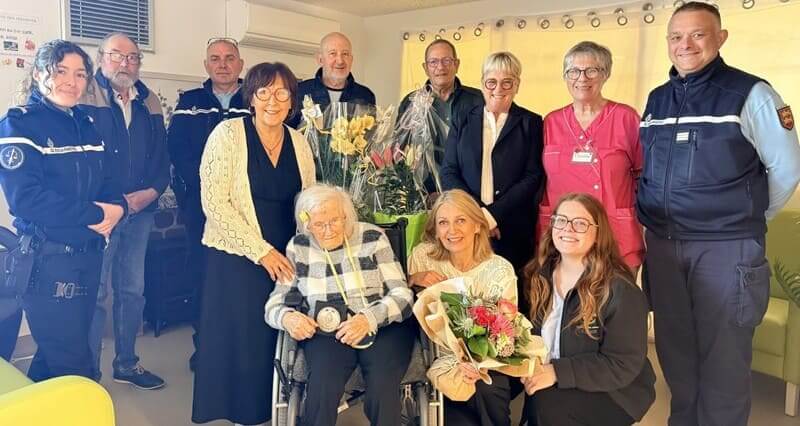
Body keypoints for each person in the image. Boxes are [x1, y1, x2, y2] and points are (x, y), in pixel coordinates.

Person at [637, 3, 800, 425]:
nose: (685, 45)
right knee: (677, 357)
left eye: (698, 35)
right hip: (665, 247)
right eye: (676, 37)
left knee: (724, 363)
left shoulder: (750, 94)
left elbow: (787, 169)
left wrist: (748, 218)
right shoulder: (657, 99)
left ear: (720, 38)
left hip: (726, 251)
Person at [192, 62, 316, 426]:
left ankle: (270, 408)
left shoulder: (299, 140)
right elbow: (214, 203)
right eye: (264, 92)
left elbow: (307, 199)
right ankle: (237, 410)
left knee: (272, 333)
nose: (273, 101)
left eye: (282, 93)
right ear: (251, 97)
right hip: (236, 252)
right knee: (241, 334)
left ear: (292, 100)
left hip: (285, 251)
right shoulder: (227, 134)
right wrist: (260, 250)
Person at [0, 39, 126, 380]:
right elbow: (26, 199)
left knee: (56, 358)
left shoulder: (86, 123)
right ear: (41, 73)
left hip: (88, 256)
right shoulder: (19, 125)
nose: (71, 81)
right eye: (61, 71)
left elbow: (109, 180)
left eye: (80, 74)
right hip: (48, 264)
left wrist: (117, 208)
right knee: (75, 366)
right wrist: (98, 215)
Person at [265, 184, 415, 426]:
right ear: (306, 222)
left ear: (346, 215)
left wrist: (369, 318)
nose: (326, 230)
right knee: (323, 386)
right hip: (327, 332)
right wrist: (287, 318)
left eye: (334, 221)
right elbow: (275, 303)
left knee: (382, 385)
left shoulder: (372, 236)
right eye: (318, 224)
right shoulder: (299, 247)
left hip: (381, 326)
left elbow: (403, 294)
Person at [79, 32, 170, 390]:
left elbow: (163, 157)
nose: (125, 63)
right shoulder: (85, 95)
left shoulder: (149, 101)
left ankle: (127, 364)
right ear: (101, 57)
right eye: (117, 55)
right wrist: (109, 203)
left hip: (140, 213)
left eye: (133, 57)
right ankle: (89, 375)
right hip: (100, 213)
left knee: (133, 290)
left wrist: (152, 192)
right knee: (96, 292)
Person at [522, 192, 655, 425]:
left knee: (549, 403)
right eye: (561, 220)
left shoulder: (619, 290)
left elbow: (622, 365)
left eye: (580, 224)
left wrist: (557, 372)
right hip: (555, 378)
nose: (568, 229)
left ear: (597, 234)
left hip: (615, 392)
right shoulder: (539, 276)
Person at [166, 36, 250, 370]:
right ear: (206, 65)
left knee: (242, 276)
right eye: (215, 58)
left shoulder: (255, 98)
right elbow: (178, 151)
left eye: (230, 58)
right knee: (204, 275)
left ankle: (241, 346)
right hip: (200, 208)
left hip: (246, 207)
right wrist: (208, 190)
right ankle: (205, 347)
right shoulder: (190, 101)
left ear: (240, 64)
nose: (223, 64)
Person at [408, 189, 518, 425]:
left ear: (478, 225)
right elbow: (399, 293)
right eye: (443, 223)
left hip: (488, 356)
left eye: (461, 220)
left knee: (489, 388)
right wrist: (412, 278)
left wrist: (475, 362)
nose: (452, 231)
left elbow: (505, 328)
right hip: (441, 357)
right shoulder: (422, 258)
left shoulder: (499, 269)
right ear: (435, 231)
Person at [440, 51, 544, 292]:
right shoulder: (462, 119)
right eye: (492, 82)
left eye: (507, 81)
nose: (499, 88)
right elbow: (449, 172)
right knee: (468, 296)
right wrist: (479, 218)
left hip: (513, 228)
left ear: (517, 84)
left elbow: (532, 177)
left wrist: (492, 217)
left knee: (509, 302)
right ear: (483, 83)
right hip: (467, 228)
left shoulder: (531, 122)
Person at [537, 41, 644, 269]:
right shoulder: (551, 122)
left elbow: (644, 175)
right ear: (565, 76)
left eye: (591, 70)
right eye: (573, 71)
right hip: (563, 237)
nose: (582, 78)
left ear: (605, 74)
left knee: (615, 301)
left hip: (614, 233)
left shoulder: (626, 118)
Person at [397, 39, 483, 192]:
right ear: (425, 68)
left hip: (467, 189)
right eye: (433, 62)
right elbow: (401, 149)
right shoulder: (411, 102)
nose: (440, 67)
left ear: (456, 65)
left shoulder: (477, 100)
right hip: (424, 191)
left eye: (447, 61)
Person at [288, 32, 375, 128]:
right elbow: (286, 133)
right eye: (333, 54)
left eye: (345, 54)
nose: (340, 61)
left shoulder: (365, 96)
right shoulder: (299, 92)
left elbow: (369, 136)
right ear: (320, 59)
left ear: (351, 59)